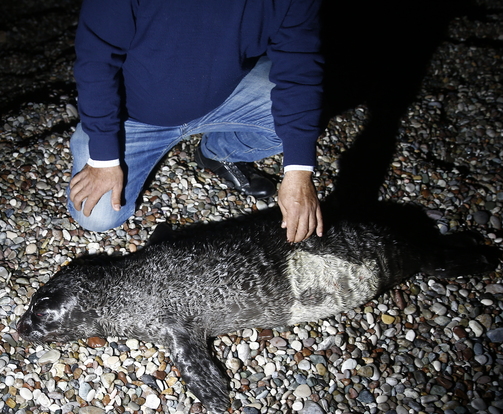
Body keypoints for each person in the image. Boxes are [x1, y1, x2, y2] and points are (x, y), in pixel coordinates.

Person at [67, 0, 324, 243]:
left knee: (302, 121)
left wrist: (299, 171)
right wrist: (103, 158)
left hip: (224, 94)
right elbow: (95, 61)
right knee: (97, 215)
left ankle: (216, 152)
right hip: (133, 117)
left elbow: (300, 68)